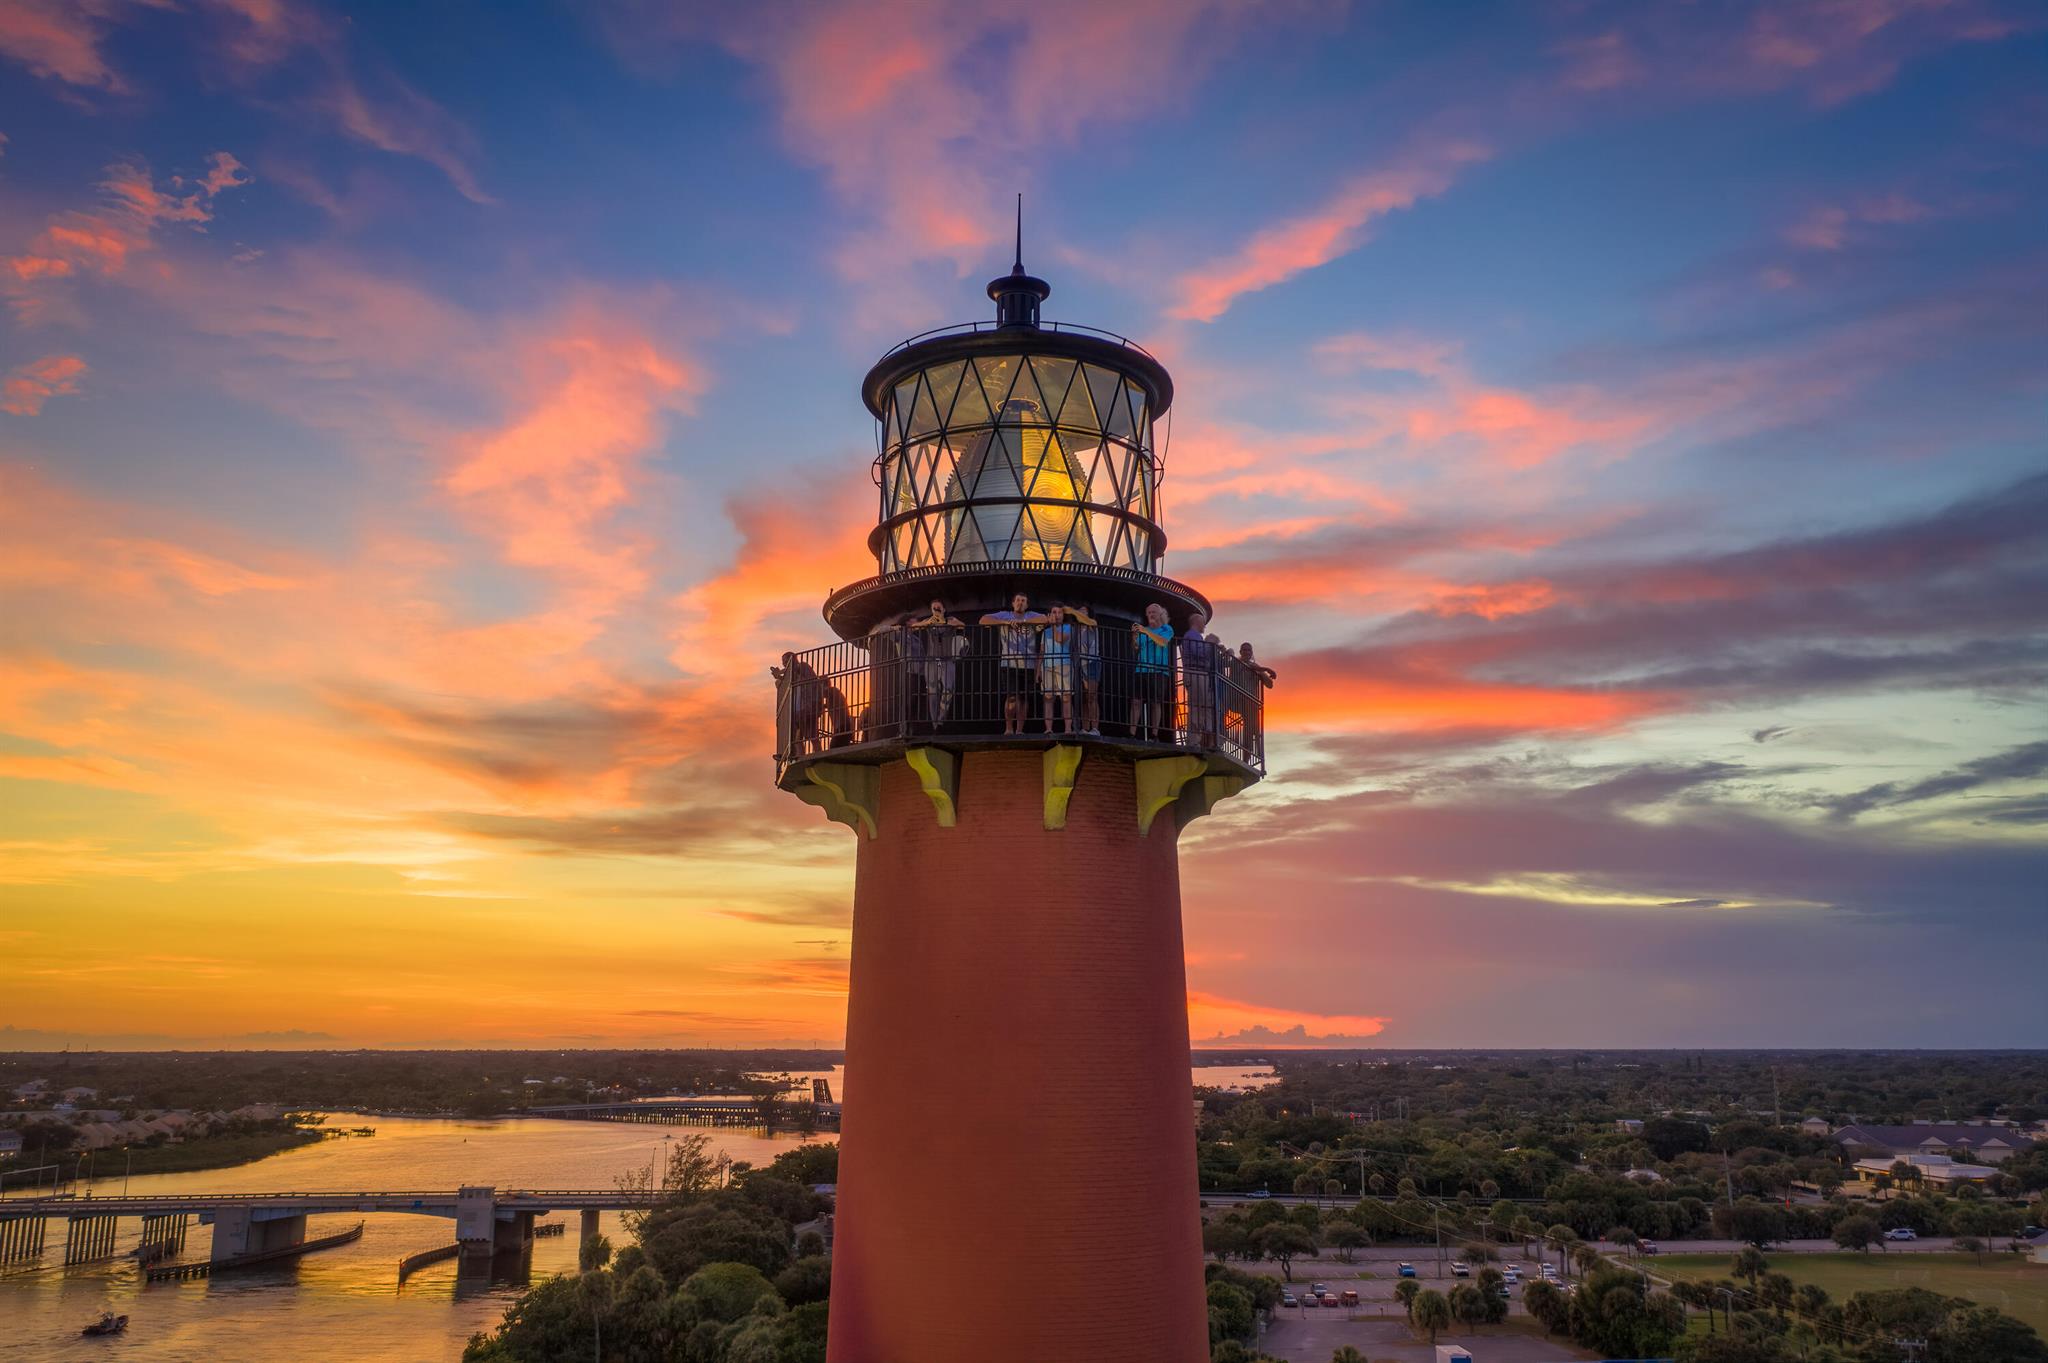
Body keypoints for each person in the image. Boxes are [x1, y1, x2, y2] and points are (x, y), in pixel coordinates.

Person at [980, 594, 1046, 734]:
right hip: (1009, 663)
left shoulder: (1031, 615)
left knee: (1023, 698)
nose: (1020, 603)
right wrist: (1006, 622)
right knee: (1011, 697)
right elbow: (983, 620)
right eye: (1017, 600)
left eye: (1023, 601)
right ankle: (1009, 728)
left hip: (1028, 665)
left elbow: (1044, 618)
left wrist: (1025, 622)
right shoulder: (1004, 615)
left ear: (1027, 605)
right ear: (1012, 603)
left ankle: (1020, 730)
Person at [907, 600, 965, 729]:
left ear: (944, 609)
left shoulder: (950, 619)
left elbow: (962, 625)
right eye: (934, 608)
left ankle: (941, 717)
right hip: (932, 660)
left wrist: (945, 622)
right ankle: (935, 723)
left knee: (948, 688)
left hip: (948, 659)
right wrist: (928, 622)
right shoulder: (929, 621)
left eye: (939, 608)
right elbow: (915, 627)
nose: (937, 610)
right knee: (932, 691)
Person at [1128, 603, 1175, 743]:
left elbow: (1162, 642)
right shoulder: (1144, 630)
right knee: (1136, 701)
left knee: (1155, 703)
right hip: (1141, 669)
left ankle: (1154, 735)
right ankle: (1132, 733)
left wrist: (1145, 631)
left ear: (1160, 614)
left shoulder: (1166, 628)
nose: (1150, 615)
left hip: (1159, 671)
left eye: (1153, 612)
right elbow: (1136, 647)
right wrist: (1135, 637)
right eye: (1148, 612)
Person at [1180, 614, 1219, 749]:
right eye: (1203, 623)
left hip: (1199, 674)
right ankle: (1194, 741)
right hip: (1195, 673)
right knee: (1196, 707)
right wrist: (1210, 643)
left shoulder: (1194, 636)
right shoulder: (1192, 636)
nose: (1205, 626)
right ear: (1197, 622)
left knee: (1203, 707)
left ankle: (1203, 739)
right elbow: (1200, 653)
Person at [1037, 605, 1076, 734]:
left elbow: (1059, 639)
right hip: (1047, 666)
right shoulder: (1045, 632)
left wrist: (1052, 626)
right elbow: (1042, 651)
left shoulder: (1068, 628)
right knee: (1048, 698)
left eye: (1059, 612)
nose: (1057, 615)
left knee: (1066, 697)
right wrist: (1038, 670)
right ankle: (1048, 728)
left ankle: (1068, 729)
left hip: (1063, 664)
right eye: (1054, 612)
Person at [1068, 605, 1103, 735]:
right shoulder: (1075, 629)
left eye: (1084, 612)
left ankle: (1095, 728)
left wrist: (1072, 611)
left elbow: (1089, 621)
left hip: (1092, 662)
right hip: (1079, 665)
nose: (1081, 614)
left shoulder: (1092, 624)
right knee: (1083, 697)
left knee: (1092, 696)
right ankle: (1085, 727)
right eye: (1079, 611)